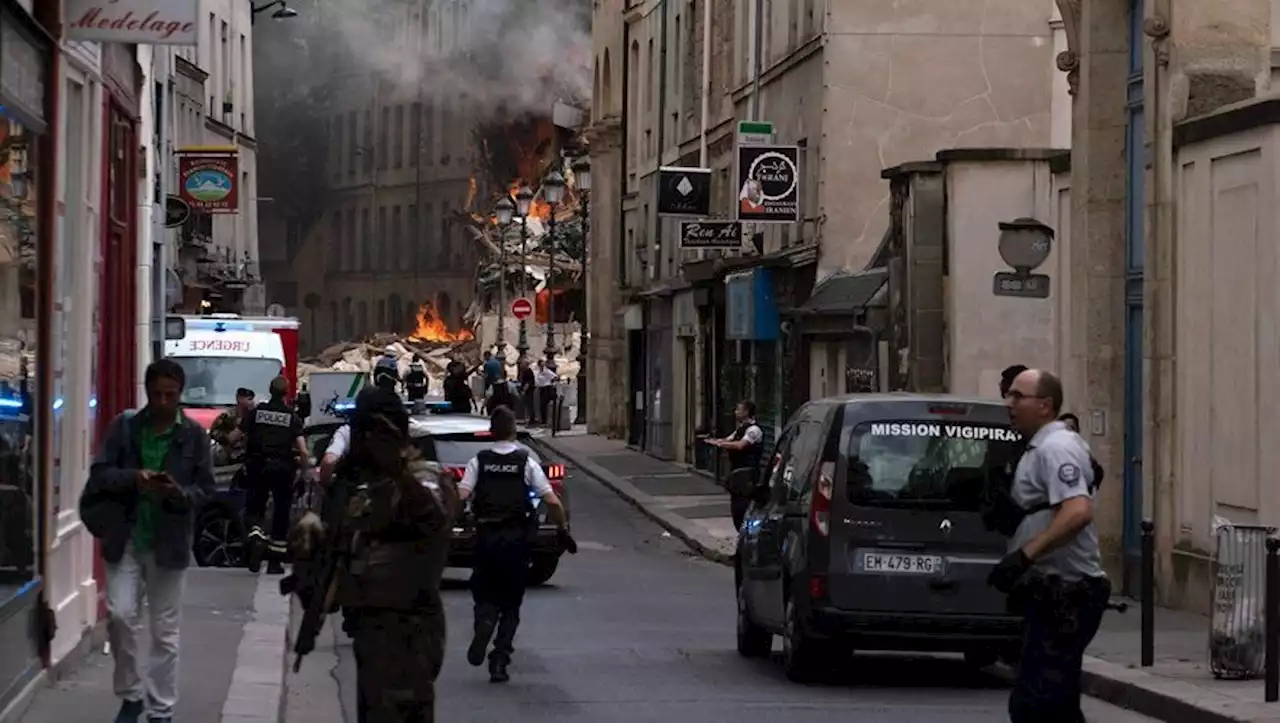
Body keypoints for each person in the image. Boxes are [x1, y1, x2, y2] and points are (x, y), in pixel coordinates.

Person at [80, 359, 215, 723]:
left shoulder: (193, 436)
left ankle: (161, 709)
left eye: (170, 395)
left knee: (165, 632)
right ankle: (131, 695)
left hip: (168, 542)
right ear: (147, 393)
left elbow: (205, 491)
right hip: (125, 537)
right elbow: (100, 476)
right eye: (157, 395)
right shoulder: (125, 428)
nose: (163, 402)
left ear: (180, 394)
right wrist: (134, 478)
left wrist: (177, 493)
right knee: (121, 616)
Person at [324, 386, 458, 723]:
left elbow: (433, 519)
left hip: (407, 631)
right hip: (372, 630)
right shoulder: (367, 487)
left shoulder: (422, 478)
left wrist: (398, 470)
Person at [988, 369, 1110, 723]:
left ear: (1045, 405)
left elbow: (1077, 511)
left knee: (1038, 704)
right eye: (1008, 396)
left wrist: (1024, 557)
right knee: (1052, 704)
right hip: (1051, 592)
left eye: (1017, 396)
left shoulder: (1056, 447)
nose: (1009, 404)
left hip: (1069, 594)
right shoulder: (1038, 446)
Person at [458, 406, 574, 682]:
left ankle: (484, 621)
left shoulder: (479, 461)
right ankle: (499, 659)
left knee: (483, 591)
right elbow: (552, 501)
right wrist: (562, 527)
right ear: (512, 431)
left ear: (491, 432)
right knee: (511, 604)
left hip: (486, 537)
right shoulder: (526, 462)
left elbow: (462, 494)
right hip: (516, 541)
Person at [241, 376, 311, 574]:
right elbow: (304, 451)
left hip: (257, 467)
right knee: (281, 514)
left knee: (255, 509)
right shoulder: (292, 417)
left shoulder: (256, 413)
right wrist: (304, 474)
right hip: (282, 470)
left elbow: (234, 437)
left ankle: (255, 540)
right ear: (286, 393)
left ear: (270, 390)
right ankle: (274, 563)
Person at [702, 400, 764, 531]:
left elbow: (740, 445)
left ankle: (745, 537)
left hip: (748, 474)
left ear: (746, 412)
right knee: (736, 508)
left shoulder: (754, 430)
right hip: (737, 473)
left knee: (743, 507)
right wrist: (714, 441)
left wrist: (721, 444)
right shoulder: (740, 429)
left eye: (738, 409)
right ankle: (740, 537)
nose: (736, 412)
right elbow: (728, 439)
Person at [209, 387, 255, 465]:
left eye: (251, 399)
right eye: (248, 399)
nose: (251, 402)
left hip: (248, 454)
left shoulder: (254, 416)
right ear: (239, 399)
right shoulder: (228, 416)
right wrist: (227, 438)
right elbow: (214, 432)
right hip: (230, 453)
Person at [534, 359, 556, 426]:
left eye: (543, 365)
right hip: (541, 388)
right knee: (541, 405)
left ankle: (546, 420)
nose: (542, 366)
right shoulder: (538, 372)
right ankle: (543, 420)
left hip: (547, 388)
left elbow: (554, 377)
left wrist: (551, 383)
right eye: (541, 365)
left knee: (545, 404)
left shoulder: (547, 371)